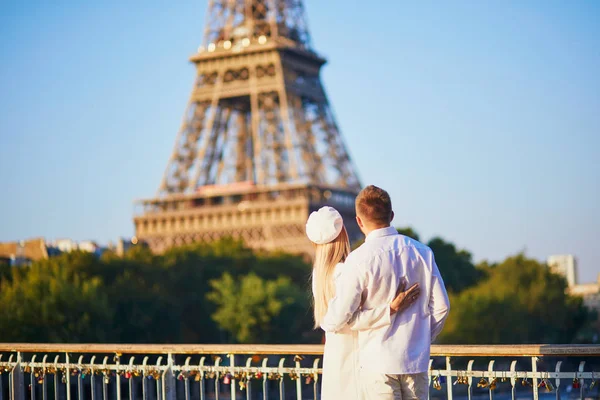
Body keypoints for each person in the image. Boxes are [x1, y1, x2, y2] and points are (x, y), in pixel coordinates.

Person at [320, 185, 450, 400]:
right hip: (416, 361)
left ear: (359, 221)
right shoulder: (423, 252)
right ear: (391, 215)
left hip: (377, 362)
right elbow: (442, 307)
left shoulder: (359, 259)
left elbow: (338, 319)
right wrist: (420, 337)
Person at [306, 206, 421, 400]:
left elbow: (332, 321)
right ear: (343, 232)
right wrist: (390, 309)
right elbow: (350, 320)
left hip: (335, 357)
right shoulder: (346, 270)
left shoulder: (319, 274)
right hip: (358, 354)